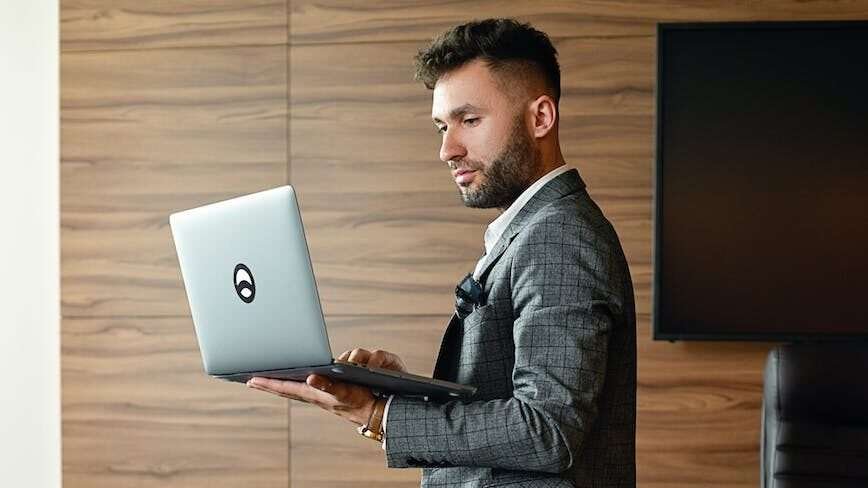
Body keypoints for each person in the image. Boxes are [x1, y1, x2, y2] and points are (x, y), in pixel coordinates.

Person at [247, 18, 637, 487]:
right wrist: (400, 394)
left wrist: (377, 413)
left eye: (469, 120)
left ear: (540, 117)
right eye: (441, 126)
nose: (447, 150)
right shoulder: (534, 231)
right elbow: (510, 405)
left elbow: (547, 430)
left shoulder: (559, 236)